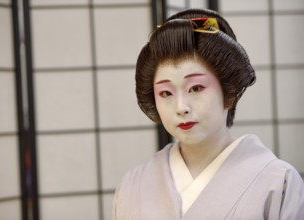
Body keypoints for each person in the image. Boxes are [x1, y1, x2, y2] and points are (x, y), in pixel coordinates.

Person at [112, 8, 304, 220]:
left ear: (228, 91)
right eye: (165, 92)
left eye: (196, 88)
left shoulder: (277, 182)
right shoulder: (132, 185)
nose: (181, 107)